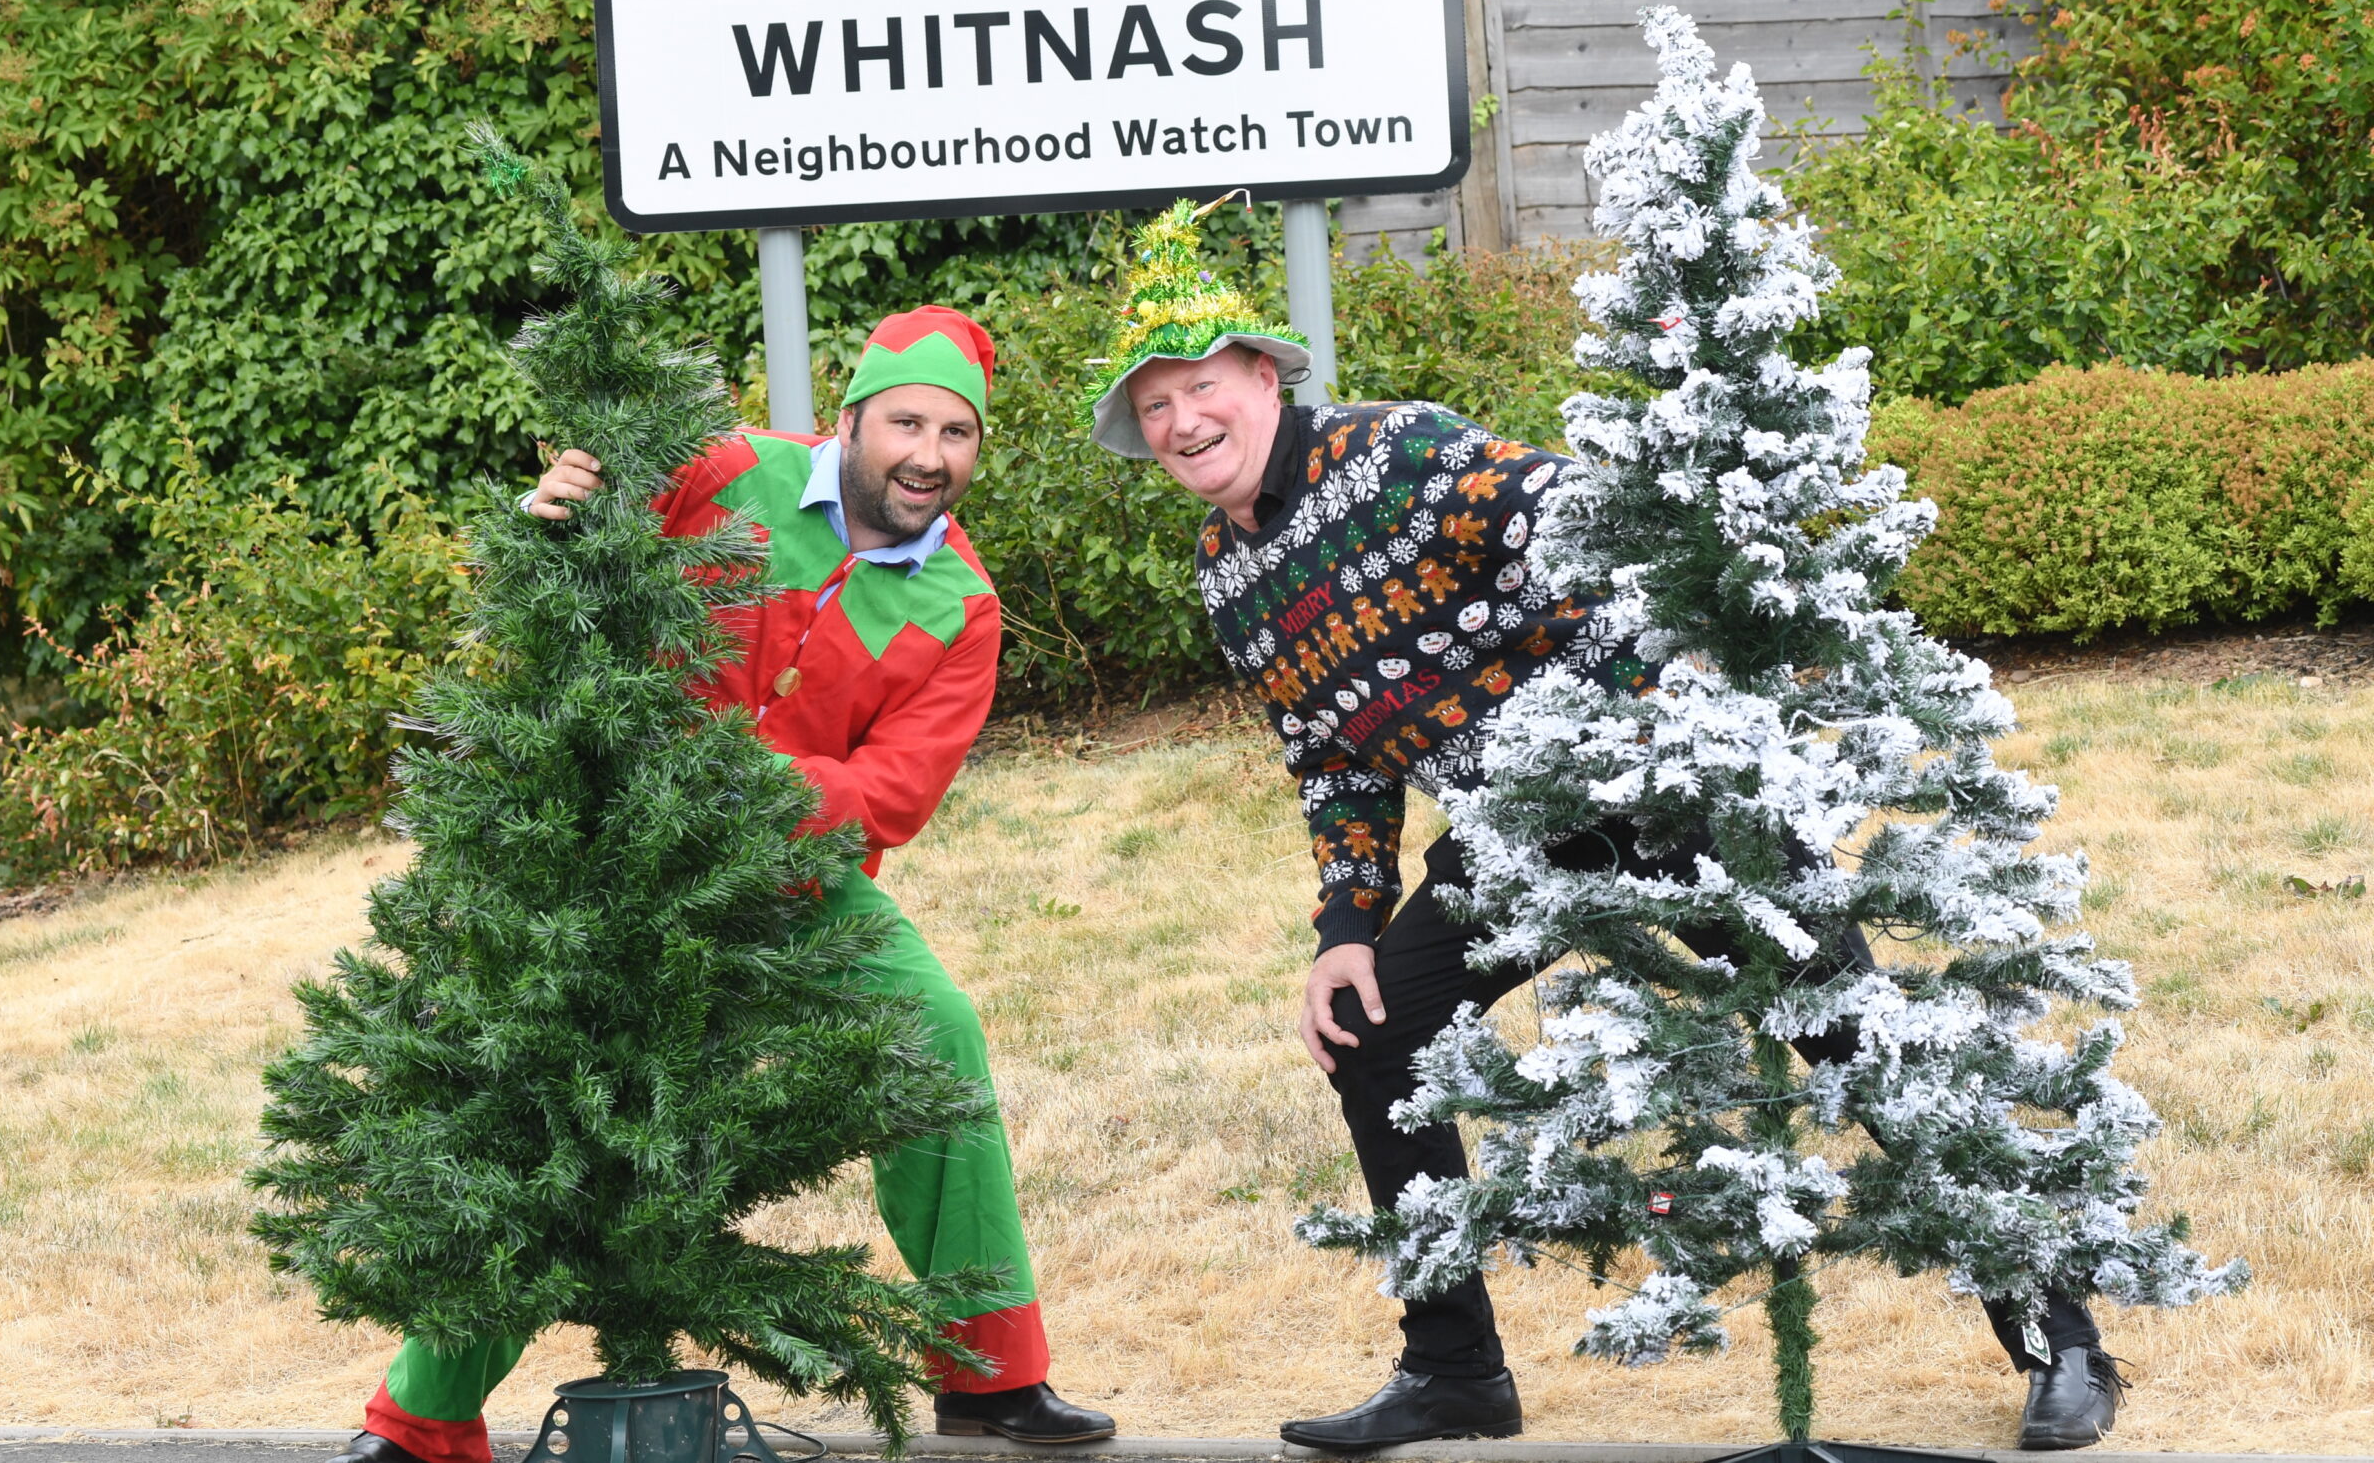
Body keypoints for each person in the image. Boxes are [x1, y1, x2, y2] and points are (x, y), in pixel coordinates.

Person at [1080, 202, 2128, 1453]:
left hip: (1668, 786)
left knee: (1855, 1039)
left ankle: (2062, 1338)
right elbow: (1331, 752)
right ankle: (1454, 1372)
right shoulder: (1226, 564)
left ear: (1263, 377)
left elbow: (1583, 512)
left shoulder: (1400, 451)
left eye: (1201, 387)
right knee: (1375, 1031)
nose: (1183, 421)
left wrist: (1667, 682)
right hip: (1521, 831)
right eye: (1155, 407)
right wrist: (1345, 927)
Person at [328, 308, 1113, 1463]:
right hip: (608, 869)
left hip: (793, 888)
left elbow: (890, 796)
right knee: (553, 1098)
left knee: (933, 1029)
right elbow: (581, 568)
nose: (928, 454)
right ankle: (423, 1420)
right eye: (906, 422)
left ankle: (990, 1375)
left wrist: (731, 781)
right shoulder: (729, 470)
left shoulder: (962, 605)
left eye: (957, 433)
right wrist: (551, 516)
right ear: (850, 418)